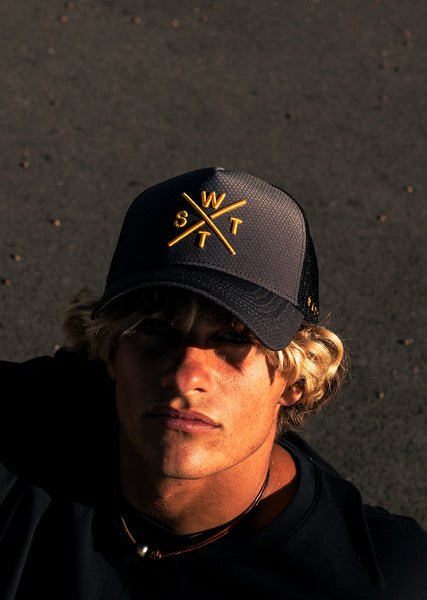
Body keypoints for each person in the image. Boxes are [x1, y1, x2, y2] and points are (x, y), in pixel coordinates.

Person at [0, 167, 425, 599]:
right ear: (109, 350)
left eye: (234, 338)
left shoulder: (380, 581)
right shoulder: (19, 437)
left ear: (295, 377)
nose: (184, 377)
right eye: (156, 328)